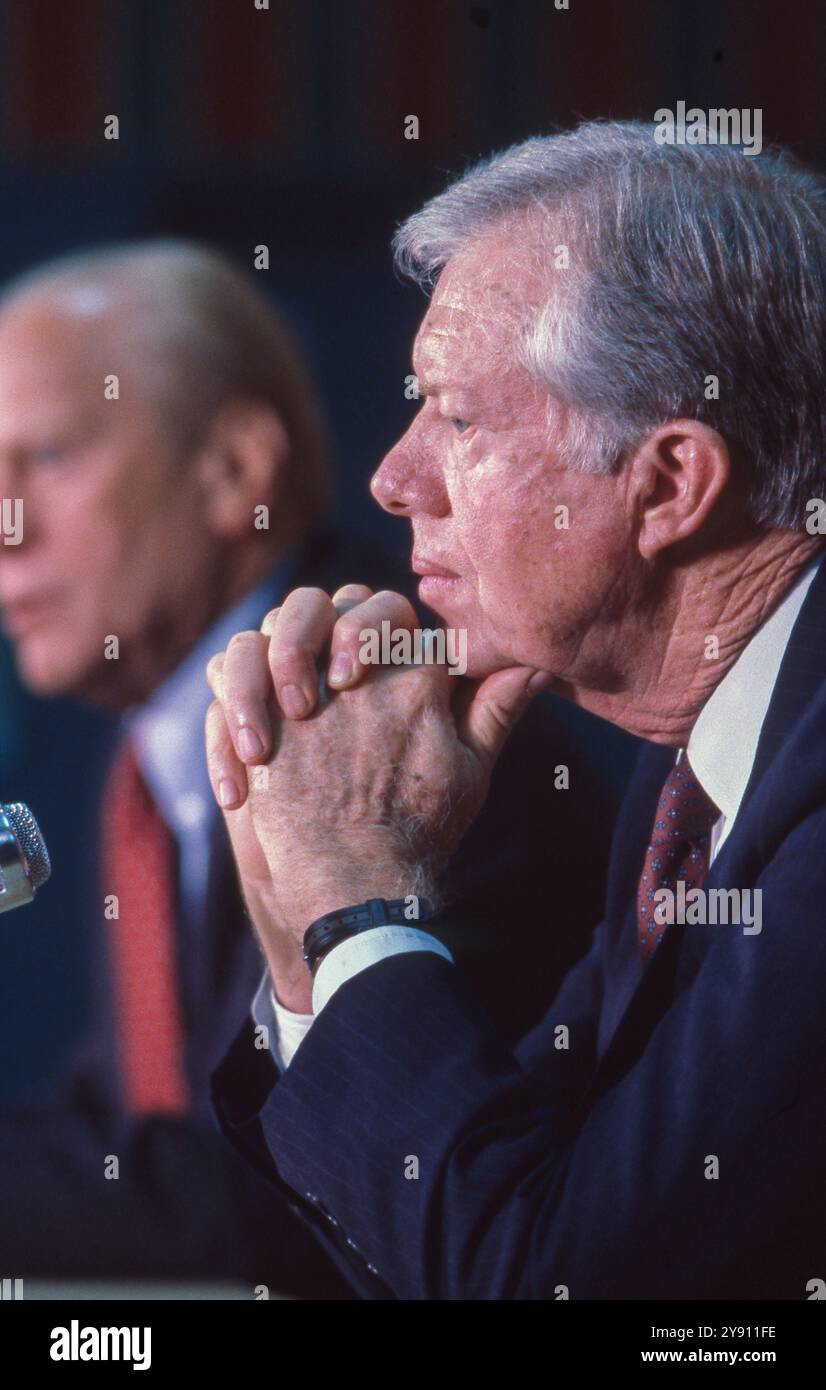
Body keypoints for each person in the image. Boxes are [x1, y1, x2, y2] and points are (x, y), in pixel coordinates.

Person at [207, 121, 826, 1299]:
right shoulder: (688, 778)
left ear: (668, 482)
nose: (391, 478)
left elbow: (556, 1279)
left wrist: (353, 902)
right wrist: (305, 934)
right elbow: (498, 1205)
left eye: (455, 416)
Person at [0, 239, 624, 1291]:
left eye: (48, 458)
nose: (7, 525)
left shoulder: (399, 711)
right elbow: (135, 1118)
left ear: (237, 469)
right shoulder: (151, 753)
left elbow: (284, 1185)